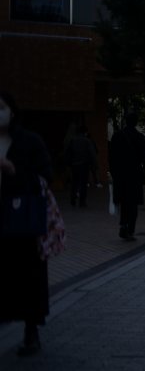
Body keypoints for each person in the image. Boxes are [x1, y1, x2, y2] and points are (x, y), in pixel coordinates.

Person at [0, 90, 54, 355]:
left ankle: (31, 331)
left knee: (27, 276)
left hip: (21, 222)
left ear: (12, 111)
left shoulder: (29, 142)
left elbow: (45, 178)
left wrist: (14, 173)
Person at [109, 112, 145, 241]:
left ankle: (123, 225)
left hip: (119, 174)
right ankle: (130, 231)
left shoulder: (116, 136)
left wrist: (113, 173)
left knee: (123, 202)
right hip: (134, 174)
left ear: (124, 121)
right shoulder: (139, 137)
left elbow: (111, 157)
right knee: (133, 204)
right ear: (137, 123)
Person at [64, 125, 98, 207]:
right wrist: (95, 165)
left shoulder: (72, 140)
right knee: (83, 183)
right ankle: (82, 202)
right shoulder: (87, 141)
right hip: (84, 164)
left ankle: (73, 196)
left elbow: (66, 151)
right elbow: (92, 154)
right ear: (85, 132)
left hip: (74, 164)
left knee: (74, 181)